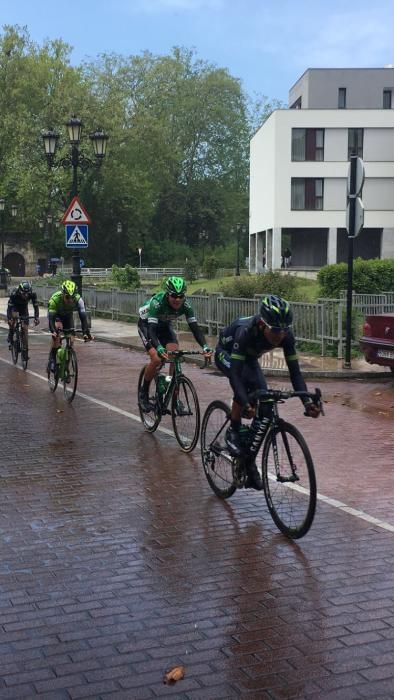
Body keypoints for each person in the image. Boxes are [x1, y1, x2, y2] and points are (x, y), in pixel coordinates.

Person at [214, 294, 320, 490]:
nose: (280, 334)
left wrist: (307, 403)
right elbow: (235, 375)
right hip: (227, 353)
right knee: (244, 386)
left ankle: (248, 460)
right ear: (262, 324)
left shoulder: (286, 336)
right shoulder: (245, 332)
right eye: (276, 330)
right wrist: (245, 402)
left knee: (265, 399)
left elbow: (295, 373)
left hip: (250, 357)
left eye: (285, 330)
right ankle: (234, 431)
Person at [138, 276, 212, 411]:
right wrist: (159, 347)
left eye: (181, 296)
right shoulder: (157, 303)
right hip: (147, 326)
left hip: (165, 326)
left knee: (175, 354)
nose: (177, 299)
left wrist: (205, 346)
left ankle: (171, 391)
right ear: (167, 294)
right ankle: (143, 394)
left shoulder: (186, 305)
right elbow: (152, 331)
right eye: (174, 296)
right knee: (156, 359)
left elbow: (195, 329)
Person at [47, 280, 92, 372]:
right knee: (57, 333)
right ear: (63, 294)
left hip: (68, 316)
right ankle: (52, 358)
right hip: (57, 316)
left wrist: (85, 333)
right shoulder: (55, 299)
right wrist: (53, 331)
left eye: (72, 298)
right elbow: (51, 319)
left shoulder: (79, 300)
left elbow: (83, 318)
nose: (70, 300)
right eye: (67, 297)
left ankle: (66, 366)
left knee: (71, 339)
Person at [7, 281, 40, 351]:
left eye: (27, 294)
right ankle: (10, 335)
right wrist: (9, 318)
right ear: (20, 291)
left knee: (25, 327)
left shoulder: (32, 294)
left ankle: (25, 349)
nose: (25, 295)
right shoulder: (14, 294)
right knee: (13, 320)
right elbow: (9, 308)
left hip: (24, 308)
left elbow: (36, 306)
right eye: (23, 293)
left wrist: (36, 317)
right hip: (14, 306)